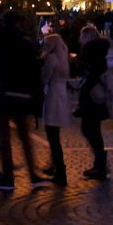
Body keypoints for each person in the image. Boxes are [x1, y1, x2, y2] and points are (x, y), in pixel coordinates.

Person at [0, 10, 48, 190]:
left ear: (2, 22)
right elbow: (34, 69)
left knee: (4, 136)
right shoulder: (25, 42)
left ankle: (8, 177)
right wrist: (36, 93)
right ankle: (33, 174)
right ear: (17, 23)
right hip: (23, 92)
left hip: (0, 92)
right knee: (25, 135)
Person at [76, 25, 111, 179]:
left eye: (82, 36)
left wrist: (85, 86)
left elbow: (94, 73)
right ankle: (100, 163)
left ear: (88, 37)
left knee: (90, 129)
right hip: (93, 96)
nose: (80, 39)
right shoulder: (96, 51)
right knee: (92, 129)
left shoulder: (93, 52)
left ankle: (101, 164)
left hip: (93, 97)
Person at [40, 34, 71, 186]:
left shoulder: (51, 58)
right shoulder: (63, 57)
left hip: (52, 95)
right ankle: (56, 167)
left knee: (52, 137)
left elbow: (44, 78)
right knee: (55, 135)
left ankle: (60, 171)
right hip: (61, 95)